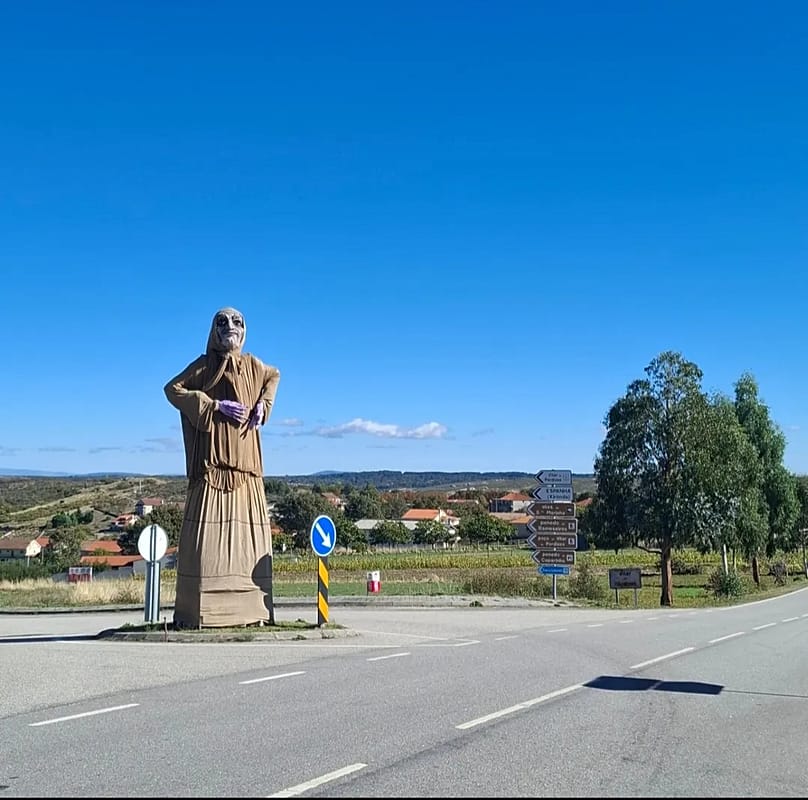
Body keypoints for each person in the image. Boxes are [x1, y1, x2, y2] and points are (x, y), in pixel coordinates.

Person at [164, 307, 280, 628]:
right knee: (206, 548)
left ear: (245, 330)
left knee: (249, 542)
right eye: (223, 322)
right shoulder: (203, 367)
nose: (231, 327)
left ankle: (252, 610)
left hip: (246, 471)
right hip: (211, 469)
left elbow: (274, 374)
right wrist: (213, 405)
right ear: (214, 331)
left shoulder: (254, 366)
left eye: (237, 322)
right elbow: (172, 389)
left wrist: (263, 405)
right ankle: (201, 613)